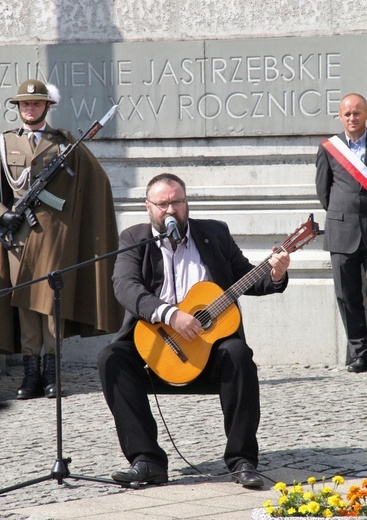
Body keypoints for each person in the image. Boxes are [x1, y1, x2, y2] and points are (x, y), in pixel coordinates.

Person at [97, 172, 290, 488]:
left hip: (208, 352)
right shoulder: (135, 238)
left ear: (187, 204)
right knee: (111, 358)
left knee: (238, 354)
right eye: (163, 204)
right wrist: (171, 316)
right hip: (155, 348)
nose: (170, 210)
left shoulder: (214, 234)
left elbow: (246, 277)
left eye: (177, 202)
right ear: (149, 207)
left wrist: (276, 274)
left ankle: (242, 460)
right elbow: (125, 286)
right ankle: (147, 460)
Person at [0, 79, 121, 399]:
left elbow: (94, 180)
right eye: (25, 104)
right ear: (18, 108)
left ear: (46, 107)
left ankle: (52, 372)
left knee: (52, 304)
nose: (30, 108)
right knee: (25, 304)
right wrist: (3, 214)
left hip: (53, 236)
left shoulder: (63, 142)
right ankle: (31, 375)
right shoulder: (5, 142)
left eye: (36, 103)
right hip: (19, 238)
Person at [316, 93, 367, 373]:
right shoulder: (329, 149)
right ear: (340, 116)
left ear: (365, 115)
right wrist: (343, 213)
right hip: (342, 230)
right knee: (347, 296)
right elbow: (324, 192)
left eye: (357, 113)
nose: (352, 118)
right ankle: (361, 352)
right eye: (347, 113)